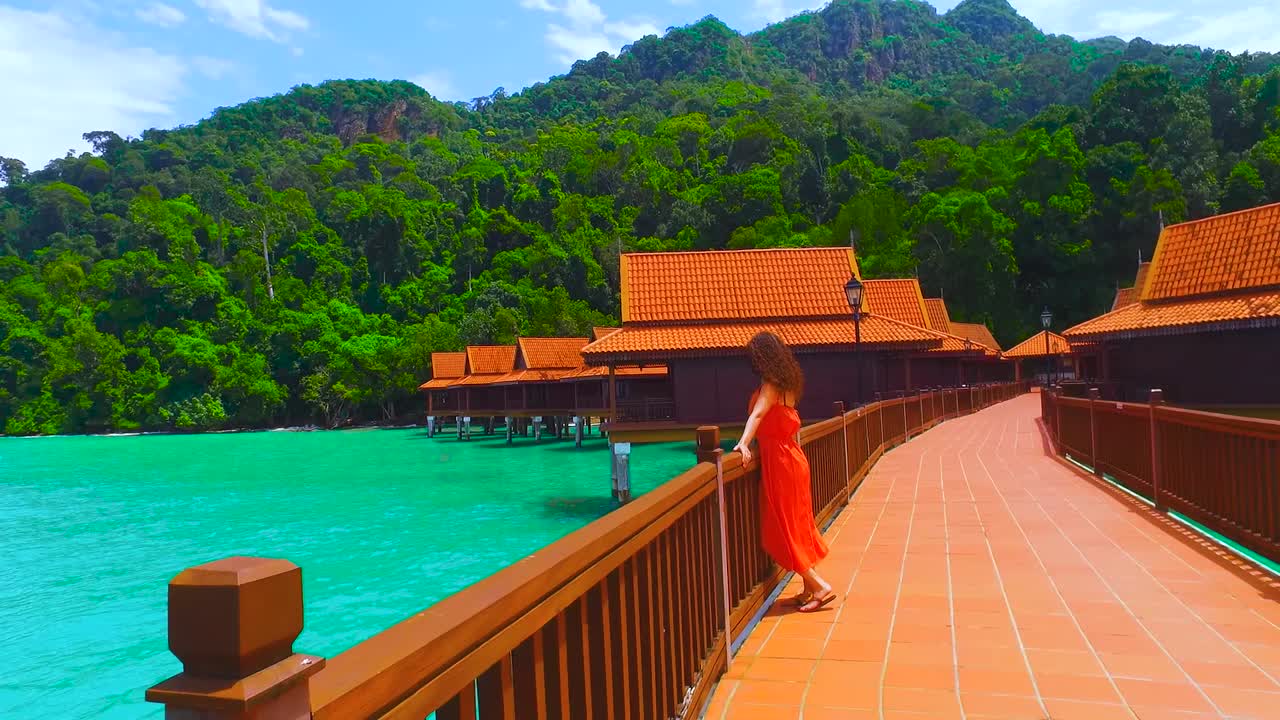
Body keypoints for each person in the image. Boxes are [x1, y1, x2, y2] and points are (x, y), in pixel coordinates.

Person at [733, 332, 837, 613]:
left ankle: (818, 585)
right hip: (793, 458)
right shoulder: (788, 386)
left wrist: (743, 443)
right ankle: (807, 589)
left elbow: (757, 415)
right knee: (799, 522)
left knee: (783, 525)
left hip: (779, 462)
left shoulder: (770, 386)